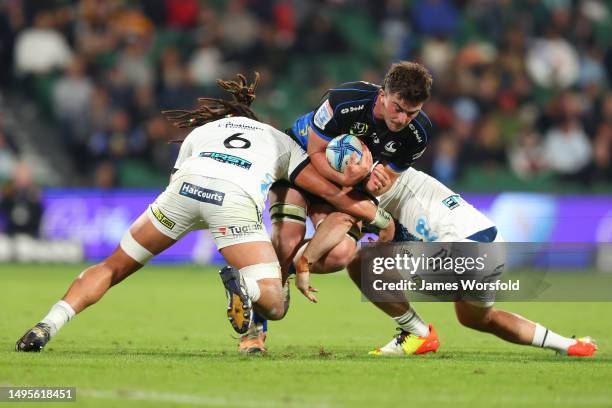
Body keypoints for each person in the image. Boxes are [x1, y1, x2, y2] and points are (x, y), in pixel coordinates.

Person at [15, 73, 395, 352]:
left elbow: (178, 174)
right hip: (231, 203)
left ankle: (47, 325)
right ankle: (243, 285)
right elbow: (325, 190)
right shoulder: (279, 141)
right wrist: (375, 216)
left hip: (182, 193)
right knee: (275, 304)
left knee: (112, 267)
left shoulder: (204, 131)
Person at [293, 168, 597, 357]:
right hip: (491, 246)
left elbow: (344, 227)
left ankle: (417, 333)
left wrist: (299, 262)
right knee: (477, 318)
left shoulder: (373, 187)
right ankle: (567, 345)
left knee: (360, 263)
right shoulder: (395, 177)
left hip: (463, 251)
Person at [240, 61, 434, 352]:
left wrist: (373, 183)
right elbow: (317, 152)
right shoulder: (345, 101)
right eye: (398, 108)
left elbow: (383, 182)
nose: (403, 118)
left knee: (341, 253)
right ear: (383, 94)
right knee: (286, 238)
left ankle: (267, 277)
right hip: (299, 163)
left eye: (412, 112)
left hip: (347, 183)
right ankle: (254, 330)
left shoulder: (418, 134)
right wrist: (346, 179)